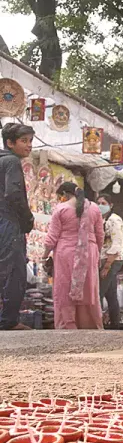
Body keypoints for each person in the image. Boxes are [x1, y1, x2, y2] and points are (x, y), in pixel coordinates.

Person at [43, 182, 105, 329]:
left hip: (65, 253)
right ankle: (90, 325)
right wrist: (96, 254)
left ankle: (68, 324)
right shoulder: (94, 208)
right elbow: (100, 236)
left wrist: (44, 256)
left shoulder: (61, 209)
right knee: (88, 288)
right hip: (89, 252)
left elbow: (51, 238)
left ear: (65, 194)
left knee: (64, 288)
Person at [0, 124, 35, 331]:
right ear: (10, 143)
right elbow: (13, 194)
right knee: (14, 271)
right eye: (24, 141)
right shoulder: (11, 161)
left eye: (30, 141)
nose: (29, 145)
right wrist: (27, 219)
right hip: (9, 223)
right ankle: (9, 320)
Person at [96, 195, 123, 329]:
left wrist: (107, 266)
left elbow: (117, 243)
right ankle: (114, 324)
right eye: (99, 203)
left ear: (110, 205)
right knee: (111, 294)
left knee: (99, 293)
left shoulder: (115, 220)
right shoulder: (102, 220)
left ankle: (98, 323)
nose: (101, 205)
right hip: (104, 259)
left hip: (111, 260)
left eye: (104, 203)